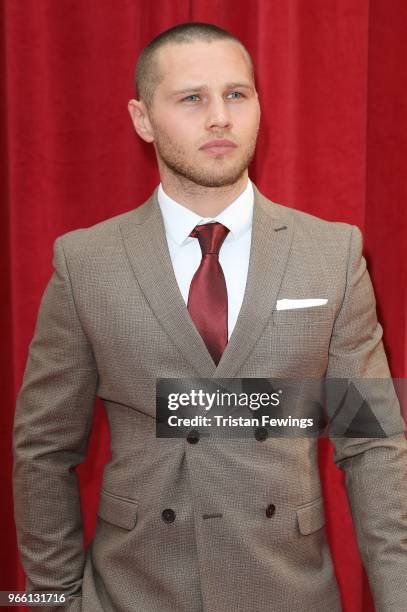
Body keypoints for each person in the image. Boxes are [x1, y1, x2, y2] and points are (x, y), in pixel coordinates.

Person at [12, 21, 406, 612]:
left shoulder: (332, 254)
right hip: (132, 594)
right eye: (192, 98)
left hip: (288, 594)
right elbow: (42, 451)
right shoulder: (86, 263)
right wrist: (51, 604)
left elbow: (371, 443)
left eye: (236, 94)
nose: (219, 116)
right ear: (142, 118)